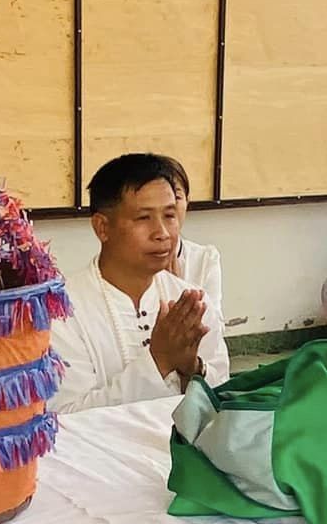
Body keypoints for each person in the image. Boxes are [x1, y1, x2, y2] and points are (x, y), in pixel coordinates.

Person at [52, 154, 230, 412]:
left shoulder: (190, 301)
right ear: (102, 227)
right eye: (143, 218)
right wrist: (159, 360)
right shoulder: (61, 311)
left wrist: (191, 368)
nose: (162, 233)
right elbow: (67, 415)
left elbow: (224, 395)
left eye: (170, 215)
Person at [159, 156, 225, 322]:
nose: (169, 206)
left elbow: (214, 327)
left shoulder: (205, 258)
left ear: (188, 202)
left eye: (177, 197)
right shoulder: (127, 260)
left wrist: (177, 287)